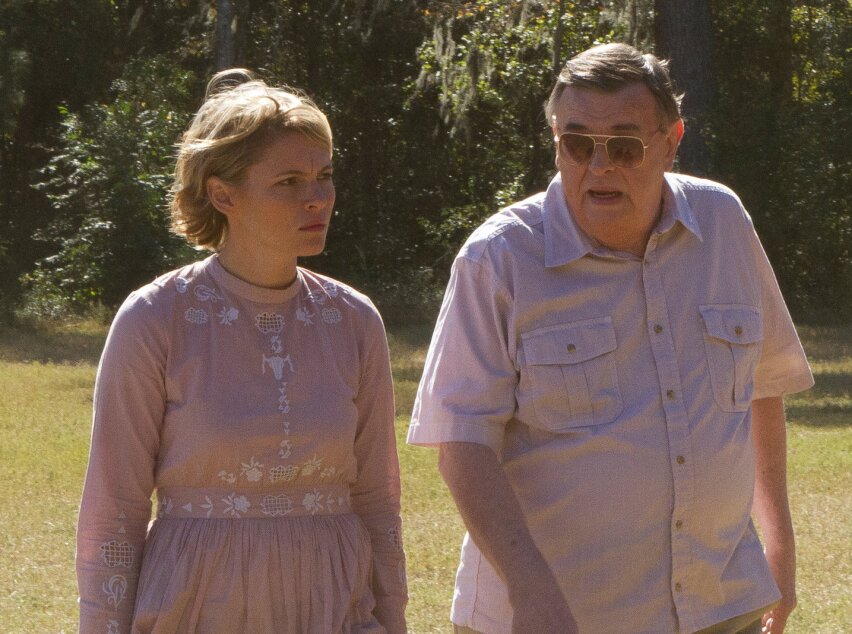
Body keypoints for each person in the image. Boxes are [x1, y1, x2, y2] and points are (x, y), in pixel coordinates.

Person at [408, 43, 814, 634]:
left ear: (671, 141)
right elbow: (462, 446)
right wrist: (531, 594)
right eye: (577, 144)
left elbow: (762, 388)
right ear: (555, 141)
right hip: (557, 618)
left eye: (624, 146)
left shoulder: (723, 222)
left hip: (720, 606)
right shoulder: (499, 258)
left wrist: (779, 545)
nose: (599, 166)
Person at [76, 70, 407, 633]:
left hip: (333, 607)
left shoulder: (353, 320)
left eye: (324, 176)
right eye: (289, 181)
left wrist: (392, 620)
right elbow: (115, 509)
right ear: (223, 194)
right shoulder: (156, 319)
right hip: (198, 607)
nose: (318, 198)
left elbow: (377, 500)